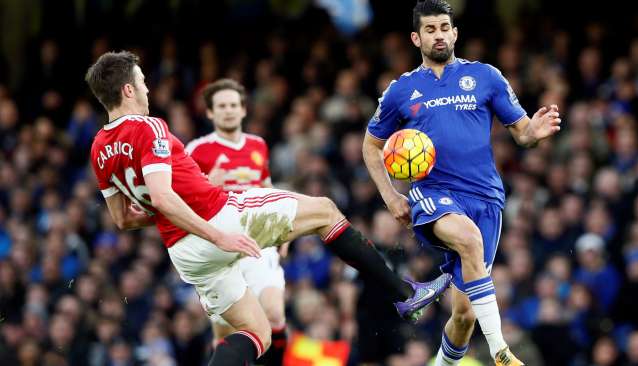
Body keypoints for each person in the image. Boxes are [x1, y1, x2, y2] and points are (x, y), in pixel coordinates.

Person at [85, 51, 452, 366]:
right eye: (143, 82)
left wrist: (187, 223)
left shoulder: (99, 148)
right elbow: (163, 197)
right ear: (128, 89)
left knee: (256, 333)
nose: (148, 89)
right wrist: (218, 235)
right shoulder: (148, 128)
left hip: (184, 252)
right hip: (220, 218)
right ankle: (406, 294)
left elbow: (123, 219)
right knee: (324, 210)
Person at [362, 1, 561, 365]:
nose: (438, 35)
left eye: (444, 28)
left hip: (485, 198)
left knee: (465, 315)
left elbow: (522, 134)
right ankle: (500, 350)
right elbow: (371, 145)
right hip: (433, 194)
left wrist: (537, 130)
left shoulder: (486, 77)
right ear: (416, 37)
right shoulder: (401, 90)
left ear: (455, 33)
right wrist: (391, 196)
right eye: (430, 29)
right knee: (467, 239)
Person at [186, 78, 288, 366]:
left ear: (243, 110)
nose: (228, 111)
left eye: (233, 105)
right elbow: (183, 201)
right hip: (221, 247)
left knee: (274, 313)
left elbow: (267, 186)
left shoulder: (258, 145)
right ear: (210, 113)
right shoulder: (197, 150)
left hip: (258, 240)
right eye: (221, 106)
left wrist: (283, 230)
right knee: (226, 330)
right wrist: (208, 183)